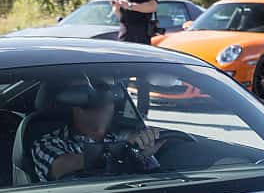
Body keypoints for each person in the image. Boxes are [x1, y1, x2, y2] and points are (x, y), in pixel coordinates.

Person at [29, 77, 164, 180]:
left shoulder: (123, 138)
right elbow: (62, 166)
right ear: (73, 100)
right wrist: (124, 151)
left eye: (109, 92)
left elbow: (154, 178)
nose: (102, 100)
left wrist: (144, 150)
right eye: (89, 93)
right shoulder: (49, 143)